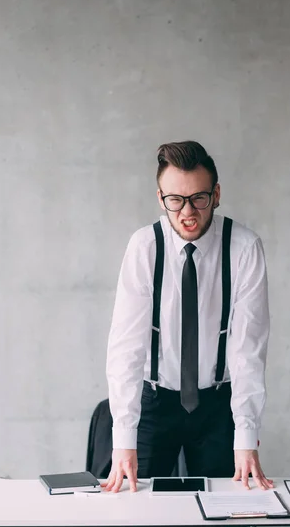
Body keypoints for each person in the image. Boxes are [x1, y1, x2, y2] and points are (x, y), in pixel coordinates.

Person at [104, 141, 273, 493]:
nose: (187, 212)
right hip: (154, 402)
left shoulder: (243, 248)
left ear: (217, 194)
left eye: (199, 198)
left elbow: (247, 351)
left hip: (216, 407)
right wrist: (124, 437)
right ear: (161, 197)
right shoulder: (144, 246)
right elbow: (127, 348)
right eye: (175, 200)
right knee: (136, 505)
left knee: (230, 504)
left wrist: (245, 436)